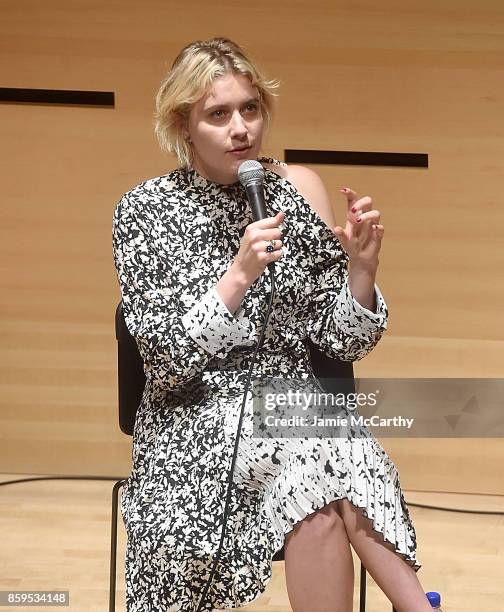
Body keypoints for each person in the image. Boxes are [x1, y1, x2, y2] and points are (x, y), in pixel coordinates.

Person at [112, 37, 432, 612]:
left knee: (316, 478)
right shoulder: (144, 210)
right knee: (322, 453)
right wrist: (237, 276)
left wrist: (361, 270)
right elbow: (161, 361)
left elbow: (342, 340)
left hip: (291, 411)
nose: (241, 129)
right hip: (194, 417)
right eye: (218, 114)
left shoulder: (294, 192)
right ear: (184, 126)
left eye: (250, 109)